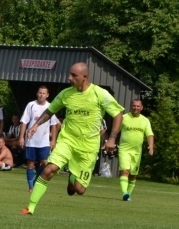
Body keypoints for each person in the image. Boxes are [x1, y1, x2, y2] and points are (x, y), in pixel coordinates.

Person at [20, 62, 124, 216]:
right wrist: (35, 125)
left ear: (84, 77)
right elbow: (50, 111)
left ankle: (72, 178)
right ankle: (30, 207)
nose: (69, 78)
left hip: (88, 147)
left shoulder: (99, 94)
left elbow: (118, 115)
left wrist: (112, 139)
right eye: (70, 74)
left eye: (74, 75)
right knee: (49, 170)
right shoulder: (66, 94)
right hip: (67, 141)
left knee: (79, 189)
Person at [18, 86, 60, 191]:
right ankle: (30, 187)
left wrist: (53, 140)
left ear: (47, 95)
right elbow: (24, 122)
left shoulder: (50, 106)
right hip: (31, 140)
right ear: (37, 93)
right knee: (31, 163)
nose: (41, 95)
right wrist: (21, 137)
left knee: (45, 163)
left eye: (44, 93)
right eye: (40, 93)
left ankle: (36, 181)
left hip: (44, 141)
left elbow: (54, 124)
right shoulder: (31, 105)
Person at [118, 99, 155, 201]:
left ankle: (128, 195)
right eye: (134, 106)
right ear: (131, 106)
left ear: (141, 108)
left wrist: (151, 146)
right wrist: (110, 140)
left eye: (138, 106)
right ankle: (124, 193)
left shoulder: (145, 120)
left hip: (137, 152)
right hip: (124, 149)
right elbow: (116, 130)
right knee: (125, 171)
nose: (136, 108)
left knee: (133, 175)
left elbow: (150, 135)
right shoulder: (124, 118)